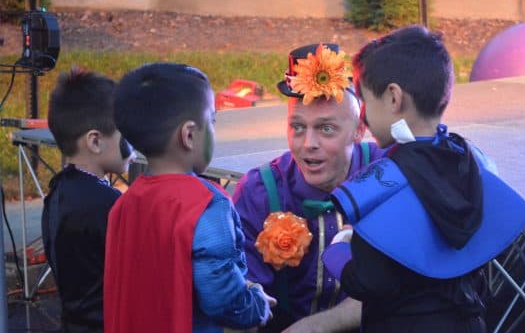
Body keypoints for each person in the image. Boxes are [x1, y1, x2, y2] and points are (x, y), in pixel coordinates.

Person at [322, 25, 525, 333]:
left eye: (366, 100)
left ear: (393, 98)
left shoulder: (381, 182)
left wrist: (337, 250)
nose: (363, 115)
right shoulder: (470, 158)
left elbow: (369, 281)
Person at [104, 62, 274, 333]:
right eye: (213, 121)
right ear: (190, 135)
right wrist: (257, 305)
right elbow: (222, 297)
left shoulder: (124, 203)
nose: (215, 130)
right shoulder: (206, 205)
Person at [233, 43, 384, 333]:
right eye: (298, 127)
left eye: (326, 128)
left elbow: (406, 286)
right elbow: (244, 295)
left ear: (359, 131)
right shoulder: (260, 191)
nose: (307, 144)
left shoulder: (386, 174)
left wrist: (314, 327)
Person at [42, 67, 134, 333]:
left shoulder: (57, 192)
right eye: (125, 134)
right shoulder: (110, 205)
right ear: (95, 141)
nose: (134, 144)